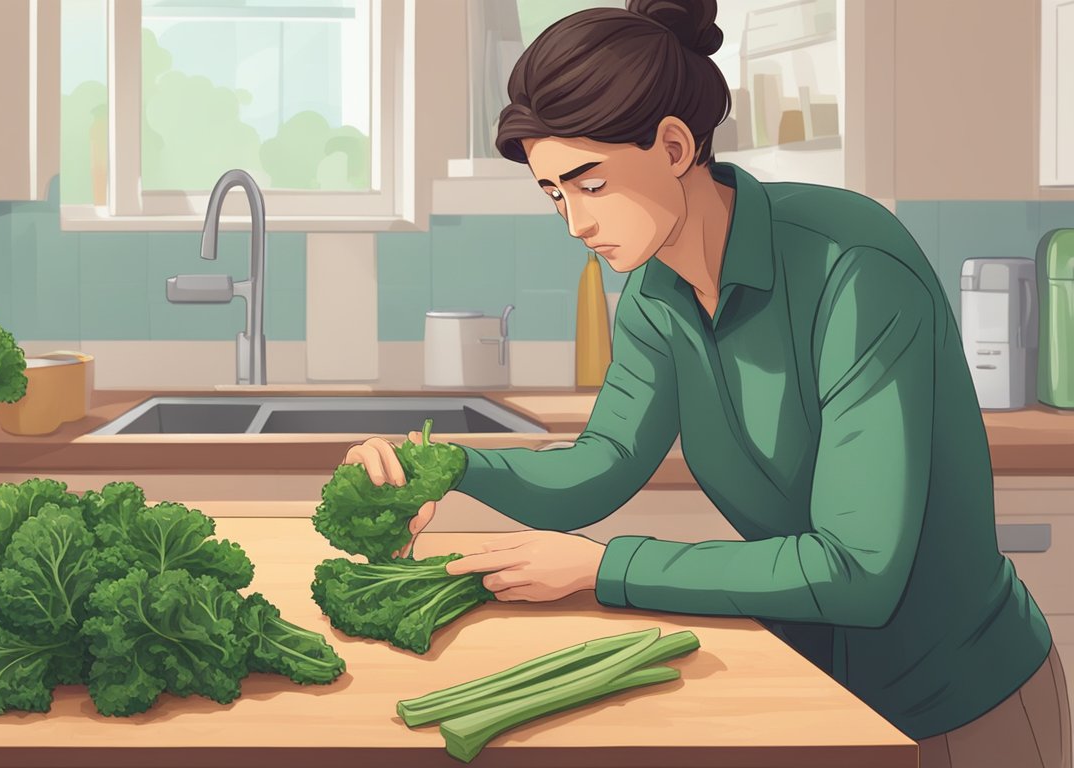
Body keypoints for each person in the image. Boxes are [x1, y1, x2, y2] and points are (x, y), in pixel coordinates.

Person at [340, 2, 1070, 766]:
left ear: (675, 145)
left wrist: (603, 567)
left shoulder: (851, 267)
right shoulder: (658, 296)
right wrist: (446, 467)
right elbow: (601, 466)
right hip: (817, 702)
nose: (574, 226)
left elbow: (856, 568)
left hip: (963, 711)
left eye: (590, 185)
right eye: (554, 194)